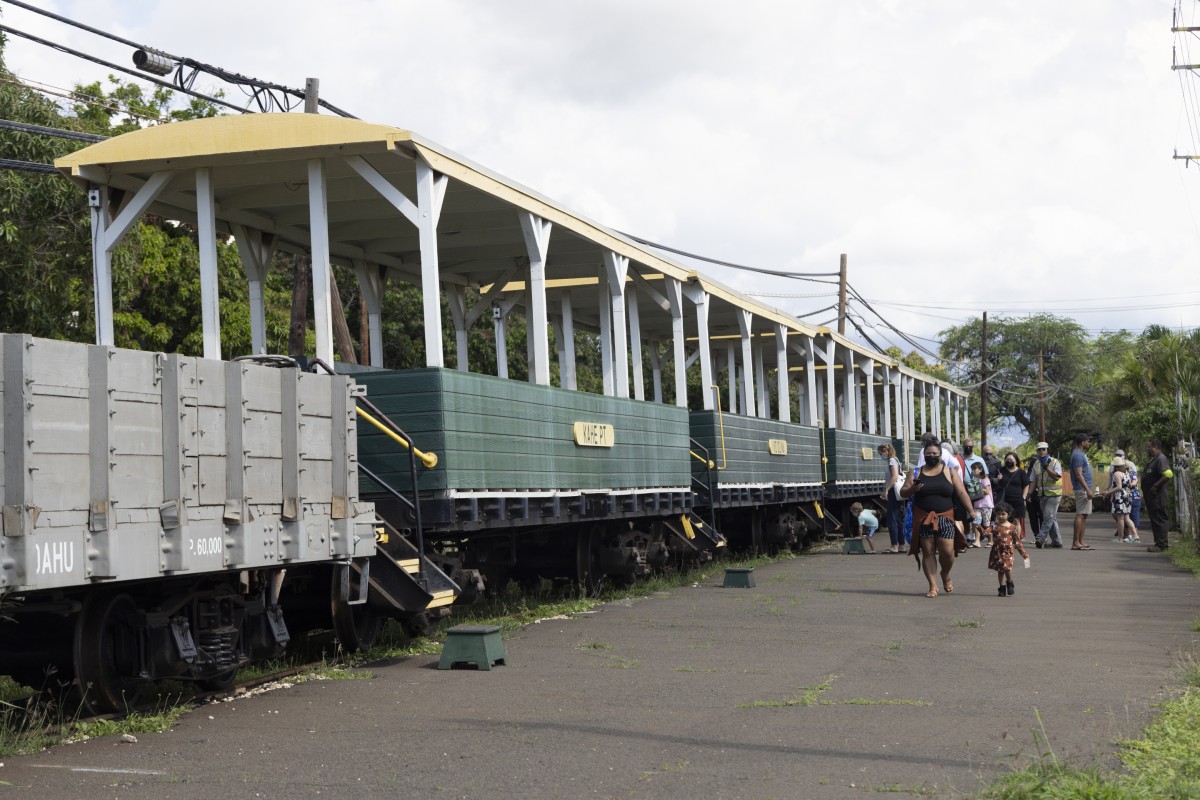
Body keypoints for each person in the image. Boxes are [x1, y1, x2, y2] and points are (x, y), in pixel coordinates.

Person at [900, 441, 975, 598]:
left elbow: (961, 493)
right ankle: (933, 586)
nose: (932, 456)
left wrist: (971, 511)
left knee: (947, 552)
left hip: (945, 517)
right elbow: (903, 492)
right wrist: (913, 488)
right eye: (928, 453)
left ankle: (945, 574)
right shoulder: (915, 472)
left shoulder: (950, 471)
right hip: (923, 518)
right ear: (923, 455)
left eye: (935, 453)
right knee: (927, 552)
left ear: (941, 455)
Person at [987, 502, 1029, 597]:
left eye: (1003, 514)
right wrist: (978, 526)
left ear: (1008, 514)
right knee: (1000, 570)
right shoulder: (994, 526)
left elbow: (1017, 542)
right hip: (997, 552)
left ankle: (1010, 582)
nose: (1000, 516)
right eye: (998, 514)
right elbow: (986, 533)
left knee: (1007, 568)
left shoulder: (1012, 527)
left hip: (1007, 552)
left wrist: (1024, 553)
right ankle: (1002, 587)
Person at [1028, 442, 1064, 548]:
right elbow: (1033, 481)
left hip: (1054, 494)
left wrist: (1047, 468)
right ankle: (1057, 542)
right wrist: (1029, 493)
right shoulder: (1036, 464)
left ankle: (1040, 538)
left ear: (1047, 450)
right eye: (1039, 450)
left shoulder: (1054, 462)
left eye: (1043, 449)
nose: (1041, 451)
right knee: (1050, 518)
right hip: (1042, 495)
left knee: (1048, 517)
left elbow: (1057, 477)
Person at [1143, 440, 1172, 552]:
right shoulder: (1154, 459)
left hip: (1158, 497)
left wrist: (1156, 485)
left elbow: (1168, 474)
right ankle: (1158, 543)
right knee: (1155, 520)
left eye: (1149, 447)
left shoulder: (1161, 459)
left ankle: (1162, 545)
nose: (1148, 448)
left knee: (1160, 519)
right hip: (1152, 497)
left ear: (1155, 447)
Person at [994, 452, 1031, 540]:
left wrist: (1024, 497)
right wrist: (997, 479)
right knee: (1002, 520)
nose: (1008, 461)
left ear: (1016, 461)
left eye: (1011, 460)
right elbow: (995, 484)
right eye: (1007, 460)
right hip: (1004, 500)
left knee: (1016, 521)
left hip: (1017, 500)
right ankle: (1004, 538)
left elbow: (1026, 485)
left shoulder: (1021, 472)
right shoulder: (1001, 470)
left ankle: (1016, 540)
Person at [1069, 433, 1096, 550]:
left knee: (1084, 515)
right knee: (1080, 514)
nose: (1089, 443)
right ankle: (1075, 542)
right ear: (1082, 442)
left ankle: (1081, 541)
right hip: (1081, 489)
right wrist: (1087, 489)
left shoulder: (1081, 454)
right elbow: (1079, 474)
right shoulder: (1078, 455)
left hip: (1084, 488)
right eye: (1087, 441)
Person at [1105, 458, 1139, 543]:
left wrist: (1109, 493)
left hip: (1119, 496)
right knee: (1127, 518)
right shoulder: (1127, 473)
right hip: (1126, 495)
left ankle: (1120, 537)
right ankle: (1135, 535)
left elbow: (1118, 487)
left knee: (1120, 518)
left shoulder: (1117, 474)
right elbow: (1130, 485)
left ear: (1116, 466)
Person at [878, 444, 905, 553]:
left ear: (886, 451)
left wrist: (887, 490)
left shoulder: (891, 461)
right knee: (898, 518)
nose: (881, 456)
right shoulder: (896, 460)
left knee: (892, 519)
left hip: (893, 491)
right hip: (896, 491)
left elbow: (894, 476)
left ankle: (894, 545)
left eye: (881, 453)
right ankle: (901, 545)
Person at [969, 461, 994, 546]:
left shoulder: (985, 479)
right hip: (977, 505)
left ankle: (990, 541)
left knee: (987, 524)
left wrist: (977, 486)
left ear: (980, 469)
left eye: (974, 469)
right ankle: (977, 541)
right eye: (972, 469)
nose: (973, 471)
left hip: (986, 505)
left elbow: (987, 491)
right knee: (976, 522)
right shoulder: (974, 480)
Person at [1023, 453, 1043, 543]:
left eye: (1034, 460)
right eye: (1032, 460)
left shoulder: (1041, 469)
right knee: (1033, 517)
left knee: (1042, 516)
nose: (1033, 462)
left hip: (1040, 496)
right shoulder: (1029, 471)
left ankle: (1042, 536)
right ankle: (1037, 535)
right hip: (1030, 497)